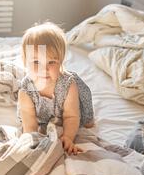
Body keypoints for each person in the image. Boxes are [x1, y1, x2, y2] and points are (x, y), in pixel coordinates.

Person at [17, 22, 95, 155]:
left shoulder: (68, 85)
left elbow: (71, 116)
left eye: (51, 62)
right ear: (25, 62)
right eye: (36, 62)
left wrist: (68, 137)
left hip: (66, 109)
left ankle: (88, 117)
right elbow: (29, 123)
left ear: (61, 61)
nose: (44, 69)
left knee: (87, 122)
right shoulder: (26, 89)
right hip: (39, 115)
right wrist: (32, 141)